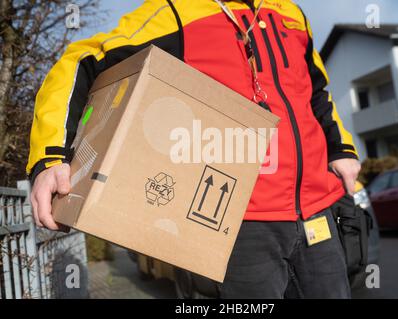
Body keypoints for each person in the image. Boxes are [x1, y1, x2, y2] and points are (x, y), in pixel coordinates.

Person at [28, 0, 361, 299]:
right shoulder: (174, 11)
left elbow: (316, 92)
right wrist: (51, 157)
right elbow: (80, 60)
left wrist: (342, 149)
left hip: (319, 210)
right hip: (240, 223)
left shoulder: (291, 13)